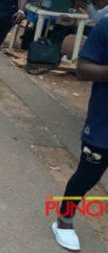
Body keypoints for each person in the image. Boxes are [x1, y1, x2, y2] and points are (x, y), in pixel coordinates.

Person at [50, 17, 108, 252]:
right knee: (87, 175)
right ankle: (64, 221)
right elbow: (83, 69)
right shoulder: (106, 26)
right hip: (104, 122)